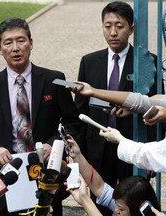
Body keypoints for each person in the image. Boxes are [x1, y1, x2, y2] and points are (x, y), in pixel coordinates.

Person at [0, 17, 81, 216]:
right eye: (8, 42)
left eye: (21, 40)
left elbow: (72, 122)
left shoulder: (53, 80)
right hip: (7, 172)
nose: (15, 48)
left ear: (31, 43)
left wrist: (54, 145)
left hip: (46, 171)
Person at [74, 2, 160, 214]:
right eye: (107, 25)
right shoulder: (89, 61)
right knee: (100, 202)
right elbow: (80, 111)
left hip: (133, 145)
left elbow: (157, 109)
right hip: (98, 148)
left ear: (131, 29)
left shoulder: (148, 63)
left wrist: (152, 157)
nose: (113, 32)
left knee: (134, 204)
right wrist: (79, 154)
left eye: (119, 26)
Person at [65, 134, 161, 216]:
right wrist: (77, 155)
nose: (116, 211)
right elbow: (99, 186)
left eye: (121, 209)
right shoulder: (124, 203)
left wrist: (84, 199)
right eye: (116, 205)